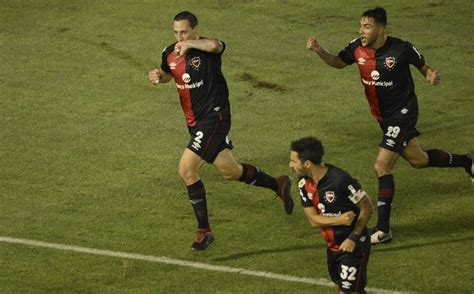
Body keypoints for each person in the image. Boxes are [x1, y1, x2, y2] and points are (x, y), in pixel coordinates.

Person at [306, 6, 473, 244]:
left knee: (381, 166)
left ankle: (383, 229)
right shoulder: (357, 47)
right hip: (384, 118)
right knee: (419, 159)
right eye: (361, 26)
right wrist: (319, 50)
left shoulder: (401, 49)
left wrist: (430, 76)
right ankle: (468, 161)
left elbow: (424, 68)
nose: (361, 30)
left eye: (367, 26)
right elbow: (337, 62)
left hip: (404, 113)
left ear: (380, 29)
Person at [148, 11, 293, 251]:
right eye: (176, 32)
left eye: (184, 31)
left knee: (186, 169)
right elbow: (168, 73)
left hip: (215, 117)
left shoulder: (207, 49)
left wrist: (189, 43)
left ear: (195, 29)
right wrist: (158, 75)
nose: (179, 36)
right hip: (195, 124)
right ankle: (277, 184)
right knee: (230, 171)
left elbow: (216, 45)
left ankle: (204, 230)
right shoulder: (169, 52)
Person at [290, 136, 373, 293]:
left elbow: (367, 207)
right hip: (332, 247)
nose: (290, 165)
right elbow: (313, 220)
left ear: (307, 164)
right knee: (341, 289)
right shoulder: (303, 183)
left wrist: (353, 238)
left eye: (293, 161)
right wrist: (339, 219)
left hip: (353, 246)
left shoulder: (340, 180)